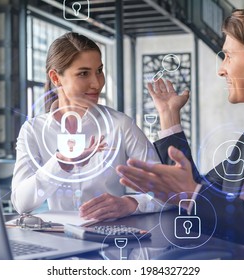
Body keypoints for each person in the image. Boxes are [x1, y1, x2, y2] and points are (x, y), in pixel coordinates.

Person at [117, 4, 244, 259]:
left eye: (229, 56)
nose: (221, 69)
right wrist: (169, 116)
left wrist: (193, 195)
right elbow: (197, 189)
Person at [12, 32, 162, 220]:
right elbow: (20, 203)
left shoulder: (120, 125)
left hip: (111, 240)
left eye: (99, 71)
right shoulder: (33, 131)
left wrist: (130, 203)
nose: (97, 83)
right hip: (59, 240)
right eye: (84, 73)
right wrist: (60, 164)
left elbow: (168, 193)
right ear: (56, 78)